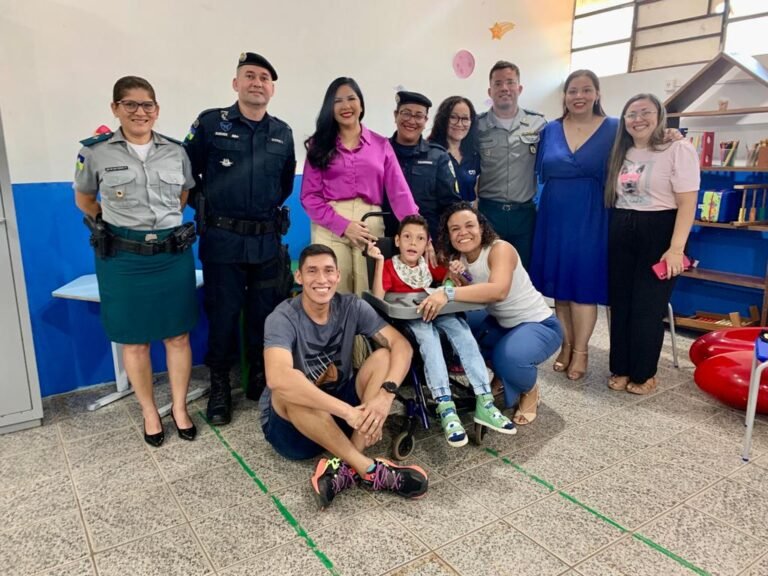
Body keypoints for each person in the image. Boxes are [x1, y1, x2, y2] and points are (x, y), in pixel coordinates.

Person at [74, 76, 198, 447]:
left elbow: (183, 194)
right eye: (130, 104)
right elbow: (86, 201)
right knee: (135, 341)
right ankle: (148, 411)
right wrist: (128, 230)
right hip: (123, 258)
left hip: (171, 254)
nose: (140, 112)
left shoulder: (176, 151)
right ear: (116, 109)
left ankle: (178, 407)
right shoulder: (94, 153)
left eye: (147, 105)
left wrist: (159, 229)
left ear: (157, 110)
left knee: (177, 335)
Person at [261, 244, 429, 509]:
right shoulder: (282, 317)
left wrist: (385, 397)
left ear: (338, 275)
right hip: (294, 431)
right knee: (290, 387)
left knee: (384, 357)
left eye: (328, 271)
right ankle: (368, 468)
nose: (321, 279)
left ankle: (344, 467)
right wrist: (348, 413)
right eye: (312, 271)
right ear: (299, 277)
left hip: (341, 414)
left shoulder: (351, 306)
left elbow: (401, 346)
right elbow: (277, 378)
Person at [184, 52, 296, 425]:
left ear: (272, 88)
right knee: (223, 315)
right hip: (222, 241)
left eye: (264, 77)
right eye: (250, 76)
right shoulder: (210, 123)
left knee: (266, 316)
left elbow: (282, 186)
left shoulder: (282, 133)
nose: (257, 83)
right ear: (236, 83)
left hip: (265, 242)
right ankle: (220, 386)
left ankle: (261, 380)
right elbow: (186, 175)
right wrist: (209, 207)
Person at [368, 215, 516, 447]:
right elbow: (377, 298)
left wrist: (455, 271)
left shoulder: (430, 265)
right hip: (413, 319)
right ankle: (445, 404)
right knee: (429, 339)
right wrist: (378, 262)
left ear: (426, 244)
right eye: (407, 237)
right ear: (397, 241)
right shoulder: (389, 266)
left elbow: (448, 280)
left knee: (464, 333)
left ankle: (485, 401)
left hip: (439, 313)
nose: (412, 243)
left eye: (419, 239)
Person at [417, 203, 563, 426]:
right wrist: (458, 279)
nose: (463, 232)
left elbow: (498, 290)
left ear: (482, 227)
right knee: (459, 328)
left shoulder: (500, 249)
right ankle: (504, 377)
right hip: (501, 321)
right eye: (454, 229)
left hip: (538, 324)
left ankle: (529, 390)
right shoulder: (461, 258)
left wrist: (448, 292)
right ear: (448, 235)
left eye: (469, 225)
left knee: (509, 357)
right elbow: (475, 292)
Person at [605, 94, 699, 395]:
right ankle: (620, 367)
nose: (638, 119)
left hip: (659, 230)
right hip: (622, 227)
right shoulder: (623, 150)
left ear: (660, 115)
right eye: (631, 114)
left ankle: (644, 373)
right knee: (621, 304)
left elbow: (687, 203)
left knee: (647, 307)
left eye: (646, 112)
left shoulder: (678, 148)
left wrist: (676, 249)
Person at [529, 70, 617, 381]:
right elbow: (539, 174)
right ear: (564, 96)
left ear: (597, 94)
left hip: (591, 214)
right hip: (554, 214)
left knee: (583, 288)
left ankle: (581, 351)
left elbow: (643, 148)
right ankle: (565, 346)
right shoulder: (550, 130)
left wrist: (672, 135)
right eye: (572, 91)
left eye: (586, 90)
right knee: (561, 291)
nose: (578, 96)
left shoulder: (614, 128)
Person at [301, 77, 419, 296]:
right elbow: (309, 197)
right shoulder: (319, 145)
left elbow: (399, 193)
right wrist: (344, 225)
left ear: (361, 105)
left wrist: (419, 232)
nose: (346, 106)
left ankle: (365, 333)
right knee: (334, 292)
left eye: (351, 98)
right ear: (330, 108)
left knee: (369, 292)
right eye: (338, 101)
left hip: (370, 223)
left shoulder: (381, 144)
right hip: (330, 224)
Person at [476, 61, 546, 269]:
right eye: (498, 84)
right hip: (489, 213)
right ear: (490, 90)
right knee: (488, 272)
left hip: (524, 214)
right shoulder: (477, 126)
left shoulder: (539, 124)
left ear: (519, 88)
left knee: (522, 275)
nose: (504, 88)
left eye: (510, 82)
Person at [385, 91, 460, 241]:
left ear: (426, 120)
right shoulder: (380, 152)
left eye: (418, 116)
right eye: (406, 114)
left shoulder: (438, 157)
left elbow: (451, 205)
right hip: (385, 240)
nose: (412, 121)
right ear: (395, 115)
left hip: (427, 243)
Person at [428, 96, 481, 203]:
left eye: (465, 119)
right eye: (453, 117)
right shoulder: (429, 152)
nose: (459, 124)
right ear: (443, 119)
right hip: (438, 217)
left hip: (466, 217)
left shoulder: (474, 155)